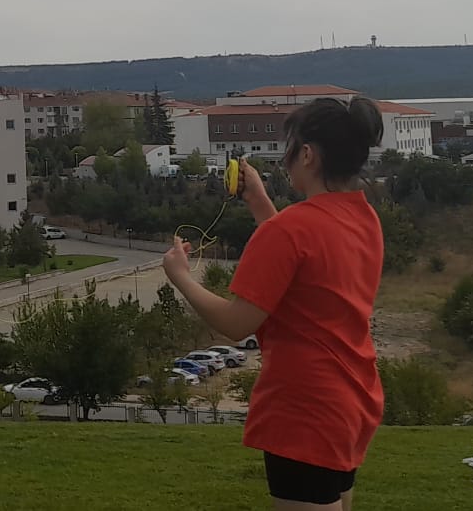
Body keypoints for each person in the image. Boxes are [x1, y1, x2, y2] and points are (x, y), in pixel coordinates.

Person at [162, 96, 387, 511]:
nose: (285, 161)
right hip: (352, 399)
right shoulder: (363, 217)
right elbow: (305, 258)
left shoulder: (289, 231)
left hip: (305, 407)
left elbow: (236, 324)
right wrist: (259, 202)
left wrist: (181, 278)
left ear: (307, 154)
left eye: (288, 150)